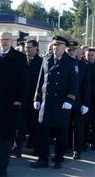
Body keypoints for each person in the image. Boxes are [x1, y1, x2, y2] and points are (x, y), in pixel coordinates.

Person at [0, 31, 28, 177]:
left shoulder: (20, 58)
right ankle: (0, 159)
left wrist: (19, 98)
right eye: (2, 39)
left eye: (7, 39)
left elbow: (23, 81)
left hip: (10, 103)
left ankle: (3, 166)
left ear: (12, 41)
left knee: (7, 135)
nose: (5, 42)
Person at [31, 35, 77, 169]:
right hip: (46, 102)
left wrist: (70, 99)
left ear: (64, 47)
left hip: (61, 102)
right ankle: (43, 159)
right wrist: (37, 98)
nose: (55, 47)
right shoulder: (46, 59)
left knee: (60, 134)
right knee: (42, 134)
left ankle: (58, 159)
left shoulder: (71, 62)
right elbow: (40, 81)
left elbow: (74, 84)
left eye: (58, 45)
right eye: (54, 45)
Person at [12, 40, 42, 157]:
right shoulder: (22, 60)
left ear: (36, 48)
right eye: (26, 48)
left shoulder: (41, 62)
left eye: (29, 48)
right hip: (22, 99)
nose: (27, 50)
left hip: (35, 99)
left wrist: (38, 98)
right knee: (20, 125)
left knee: (35, 125)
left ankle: (36, 148)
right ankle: (17, 148)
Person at [66, 41, 90, 159]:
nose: (71, 52)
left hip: (78, 101)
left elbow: (86, 86)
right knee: (65, 126)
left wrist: (86, 103)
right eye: (69, 50)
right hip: (64, 101)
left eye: (73, 50)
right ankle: (66, 146)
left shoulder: (83, 66)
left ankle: (77, 150)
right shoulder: (63, 63)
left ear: (77, 51)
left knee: (78, 127)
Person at [84, 48, 95, 150]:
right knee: (86, 121)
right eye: (88, 55)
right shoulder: (83, 66)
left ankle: (93, 141)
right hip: (86, 98)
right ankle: (86, 141)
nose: (90, 57)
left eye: (92, 55)